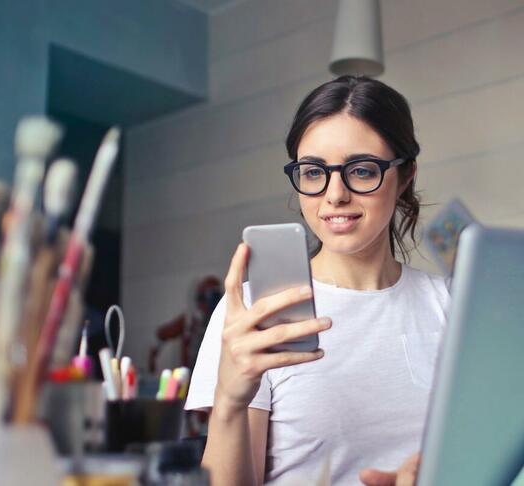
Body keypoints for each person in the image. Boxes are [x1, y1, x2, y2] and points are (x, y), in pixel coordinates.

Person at [184, 75, 450, 485]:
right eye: (313, 172)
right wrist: (231, 401)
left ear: (405, 176)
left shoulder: (452, 305)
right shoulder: (256, 314)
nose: (335, 195)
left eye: (361, 170)